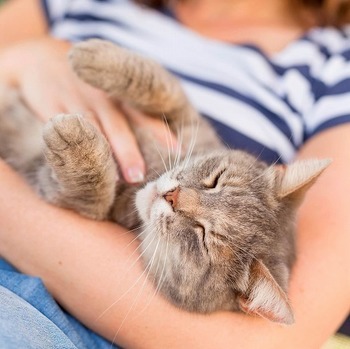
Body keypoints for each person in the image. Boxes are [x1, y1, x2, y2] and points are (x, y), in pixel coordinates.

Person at [0, 0, 349, 348]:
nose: (178, 197)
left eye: (200, 234)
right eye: (213, 181)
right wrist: (27, 58)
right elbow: (174, 108)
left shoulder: (336, 68)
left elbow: (271, 343)